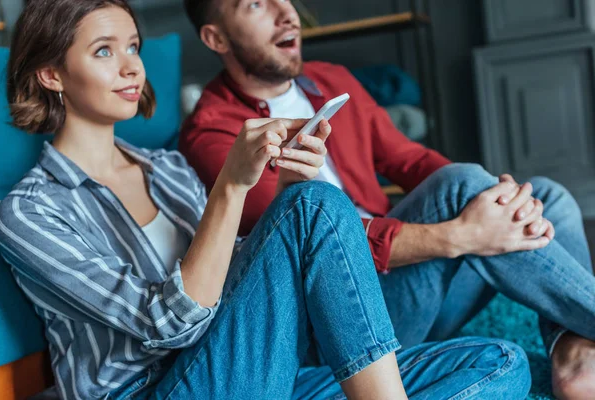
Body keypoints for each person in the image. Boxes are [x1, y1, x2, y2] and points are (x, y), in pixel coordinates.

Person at [0, 0, 532, 399]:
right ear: (51, 73)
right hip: (157, 389)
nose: (132, 66)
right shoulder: (30, 212)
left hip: (258, 369)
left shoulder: (167, 168)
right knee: (316, 206)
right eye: (104, 51)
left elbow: (243, 281)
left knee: (500, 363)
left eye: (133, 46)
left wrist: (289, 195)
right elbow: (169, 325)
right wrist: (234, 187)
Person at [179, 0, 595, 398]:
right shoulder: (214, 134)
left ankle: (574, 354)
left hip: (408, 297)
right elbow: (310, 236)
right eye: (255, 4)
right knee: (461, 187)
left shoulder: (331, 79)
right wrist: (459, 234)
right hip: (337, 332)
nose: (287, 13)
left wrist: (492, 192)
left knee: (545, 197)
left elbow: (409, 160)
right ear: (216, 38)